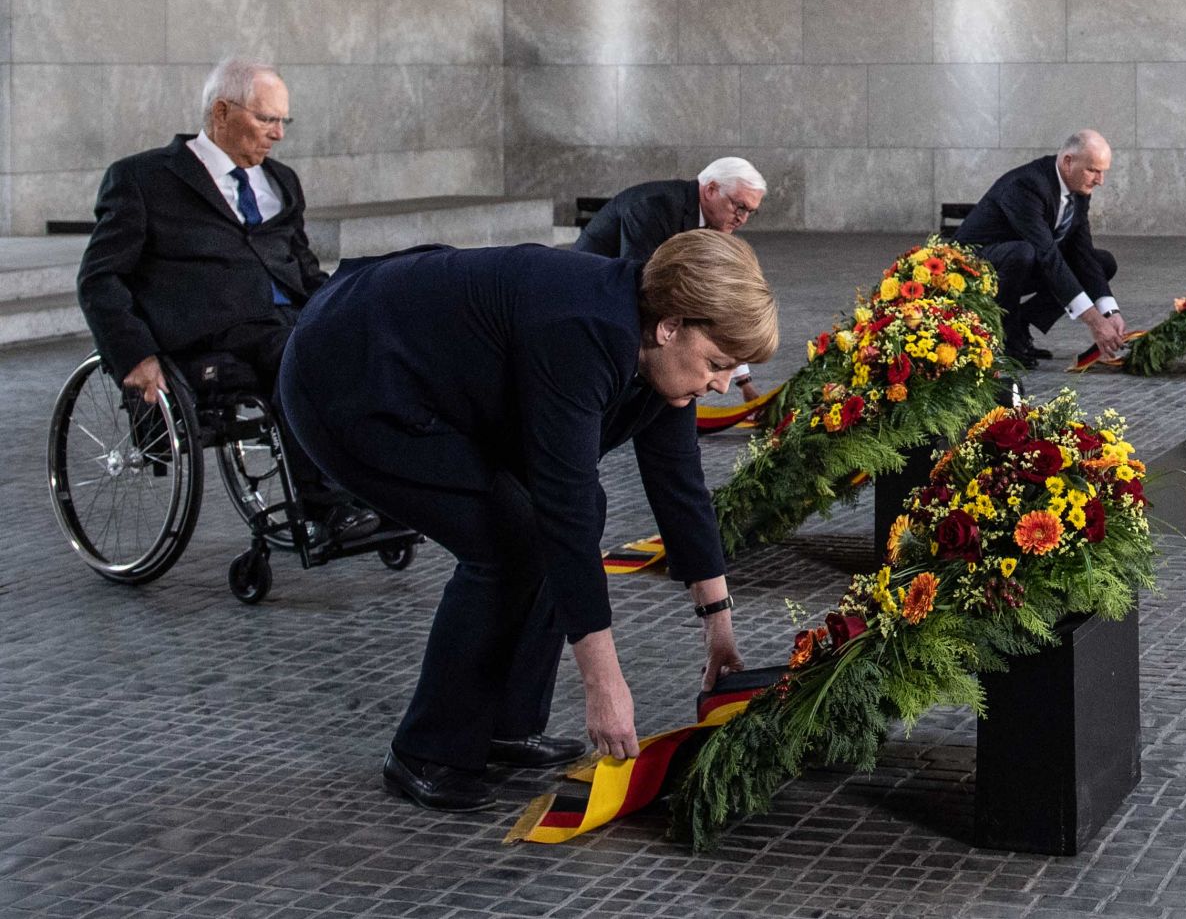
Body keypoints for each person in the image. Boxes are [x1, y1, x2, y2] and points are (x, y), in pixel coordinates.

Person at [277, 230, 778, 811]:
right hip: (350, 378)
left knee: (575, 515)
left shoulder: (655, 345)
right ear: (670, 326)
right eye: (717, 364)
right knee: (509, 542)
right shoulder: (582, 329)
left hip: (434, 377)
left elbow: (680, 489)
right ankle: (427, 752)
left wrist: (720, 631)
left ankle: (508, 725)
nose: (722, 384)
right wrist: (603, 685)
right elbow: (558, 508)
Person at [76, 55, 378, 544]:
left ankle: (388, 489)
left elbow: (301, 266)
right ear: (221, 112)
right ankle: (324, 505)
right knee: (299, 357)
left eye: (284, 120)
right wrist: (133, 354)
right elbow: (99, 276)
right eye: (266, 119)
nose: (278, 133)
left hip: (292, 318)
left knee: (381, 344)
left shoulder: (281, 181)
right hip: (213, 332)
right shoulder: (144, 180)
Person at [575, 157, 769, 400]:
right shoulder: (654, 207)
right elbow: (641, 291)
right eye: (739, 207)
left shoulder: (710, 223)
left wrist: (744, 382)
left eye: (751, 211)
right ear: (710, 190)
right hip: (587, 312)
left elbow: (718, 305)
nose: (743, 219)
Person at [953, 130, 1125, 369]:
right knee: (1024, 253)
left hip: (1025, 260)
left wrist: (1109, 312)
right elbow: (1047, 255)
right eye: (1093, 170)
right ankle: (1007, 338)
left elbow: (1082, 252)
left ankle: (1022, 322)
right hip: (975, 264)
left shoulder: (1079, 187)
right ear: (1068, 162)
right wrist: (1094, 322)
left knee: (1102, 262)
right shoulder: (1028, 185)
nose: (1100, 180)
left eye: (1103, 171)